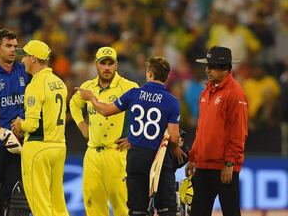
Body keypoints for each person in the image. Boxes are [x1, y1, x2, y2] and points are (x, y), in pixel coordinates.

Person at [76, 56, 186, 216]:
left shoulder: (134, 94)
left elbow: (105, 110)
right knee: (166, 209)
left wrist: (91, 98)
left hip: (135, 158)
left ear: (149, 73)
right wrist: (175, 149)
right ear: (166, 76)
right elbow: (174, 137)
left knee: (137, 210)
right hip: (158, 159)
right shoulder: (172, 101)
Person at [69, 46, 138, 216]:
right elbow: (74, 104)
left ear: (116, 65)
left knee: (121, 204)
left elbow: (142, 113)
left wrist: (133, 137)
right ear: (96, 65)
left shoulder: (128, 87)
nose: (107, 67)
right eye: (103, 63)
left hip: (116, 152)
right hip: (92, 153)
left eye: (110, 63)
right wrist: (81, 125)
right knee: (92, 203)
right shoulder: (88, 86)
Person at [185, 46, 248, 216]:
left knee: (230, 212)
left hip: (224, 168)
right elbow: (202, 128)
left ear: (226, 68)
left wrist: (229, 163)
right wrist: (193, 157)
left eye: (211, 66)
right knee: (198, 212)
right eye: (207, 66)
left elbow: (239, 132)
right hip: (203, 166)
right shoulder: (206, 90)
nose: (207, 70)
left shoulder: (235, 93)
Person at [11, 40, 69, 216]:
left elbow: (33, 124)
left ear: (34, 59)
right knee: (57, 202)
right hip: (59, 146)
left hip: (38, 148)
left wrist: (20, 124)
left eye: (25, 56)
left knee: (40, 204)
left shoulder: (35, 86)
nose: (22, 61)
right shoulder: (60, 83)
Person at [0, 29, 31, 216]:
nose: (13, 50)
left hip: (20, 146)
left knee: (19, 203)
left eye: (15, 47)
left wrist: (24, 125)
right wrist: (4, 133)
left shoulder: (24, 72)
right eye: (8, 46)